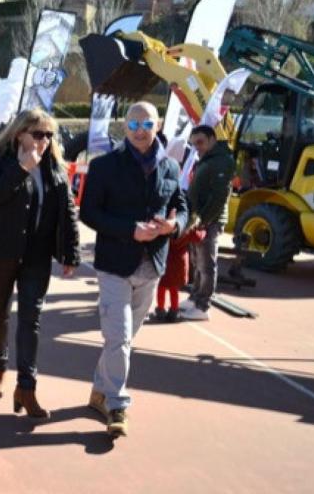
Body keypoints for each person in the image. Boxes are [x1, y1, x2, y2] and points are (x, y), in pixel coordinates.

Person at [79, 101, 188, 438]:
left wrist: (172, 225)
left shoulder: (170, 167)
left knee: (124, 339)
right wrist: (130, 229)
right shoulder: (104, 166)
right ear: (124, 127)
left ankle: (100, 388)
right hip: (115, 265)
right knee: (119, 337)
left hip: (152, 265)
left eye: (147, 125)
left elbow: (182, 209)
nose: (140, 131)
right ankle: (117, 404)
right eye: (134, 125)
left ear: (157, 127)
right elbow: (89, 213)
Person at [0, 109, 81, 416]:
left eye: (49, 135)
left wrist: (71, 252)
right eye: (38, 134)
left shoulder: (54, 166)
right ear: (20, 133)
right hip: (1, 248)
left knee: (31, 319)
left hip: (38, 252)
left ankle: (26, 387)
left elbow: (68, 209)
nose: (44, 141)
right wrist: (21, 168)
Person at [181, 125, 236, 321]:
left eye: (201, 142)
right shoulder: (209, 159)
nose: (197, 147)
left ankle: (203, 305)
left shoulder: (221, 161)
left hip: (209, 221)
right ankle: (195, 297)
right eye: (194, 144)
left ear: (212, 139)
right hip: (200, 219)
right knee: (198, 261)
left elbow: (219, 196)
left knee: (206, 263)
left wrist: (204, 220)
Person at [155, 227, 205, 322]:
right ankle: (174, 311)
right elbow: (198, 237)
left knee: (161, 288)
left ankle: (160, 310)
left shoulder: (167, 227)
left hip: (165, 260)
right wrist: (203, 230)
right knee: (174, 289)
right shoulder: (187, 229)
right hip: (179, 263)